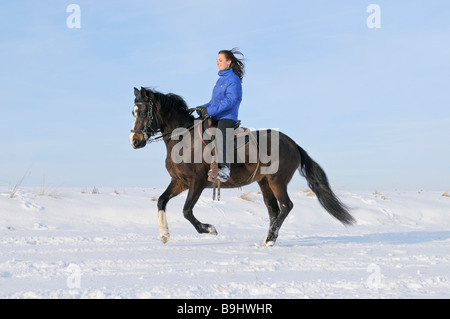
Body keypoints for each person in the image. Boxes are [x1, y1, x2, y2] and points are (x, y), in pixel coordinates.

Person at [197, 48, 245, 182]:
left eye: (220, 60)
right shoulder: (220, 80)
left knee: (221, 135)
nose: (217, 63)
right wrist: (202, 108)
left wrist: (210, 111)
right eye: (217, 61)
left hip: (228, 116)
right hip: (216, 115)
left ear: (229, 62)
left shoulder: (233, 80)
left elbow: (230, 100)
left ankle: (224, 169)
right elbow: (214, 102)